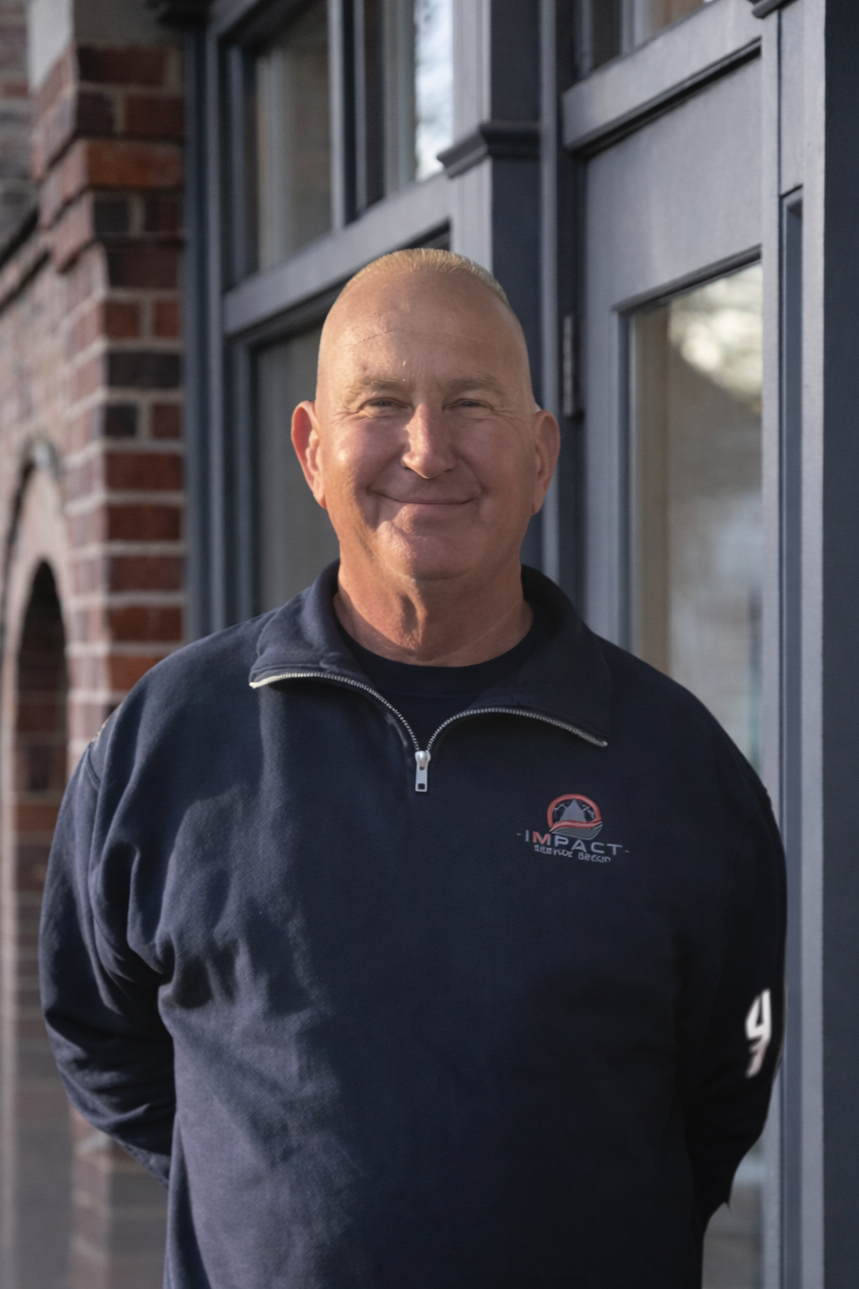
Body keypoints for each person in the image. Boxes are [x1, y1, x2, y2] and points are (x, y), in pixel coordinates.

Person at [40, 249, 785, 1289]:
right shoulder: (166, 740)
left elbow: (725, 1082)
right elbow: (97, 1028)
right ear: (310, 448)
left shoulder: (680, 767)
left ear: (539, 454)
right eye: (379, 403)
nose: (426, 449)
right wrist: (250, 1177)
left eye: (469, 403)